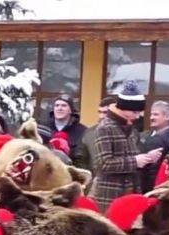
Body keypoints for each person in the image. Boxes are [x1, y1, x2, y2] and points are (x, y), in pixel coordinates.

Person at [92, 81, 161, 211]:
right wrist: (135, 161)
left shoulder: (131, 129)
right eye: (136, 112)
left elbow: (134, 159)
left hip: (131, 193)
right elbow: (103, 164)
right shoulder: (104, 128)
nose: (139, 115)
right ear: (124, 108)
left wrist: (147, 159)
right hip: (110, 196)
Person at [44, 94, 87, 168]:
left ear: (71, 110)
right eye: (57, 105)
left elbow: (84, 159)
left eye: (64, 105)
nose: (59, 108)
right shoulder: (43, 128)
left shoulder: (82, 131)